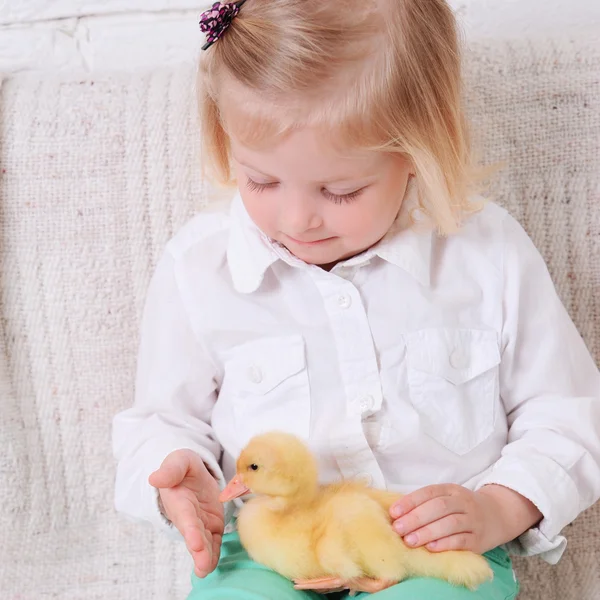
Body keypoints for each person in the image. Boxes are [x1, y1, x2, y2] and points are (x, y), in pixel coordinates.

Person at [112, 1, 600, 598]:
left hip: (429, 551)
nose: (297, 219)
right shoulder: (199, 267)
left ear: (420, 149)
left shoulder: (486, 255)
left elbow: (569, 415)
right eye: (261, 181)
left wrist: (499, 507)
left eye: (341, 190)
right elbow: (162, 418)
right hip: (269, 545)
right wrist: (178, 476)